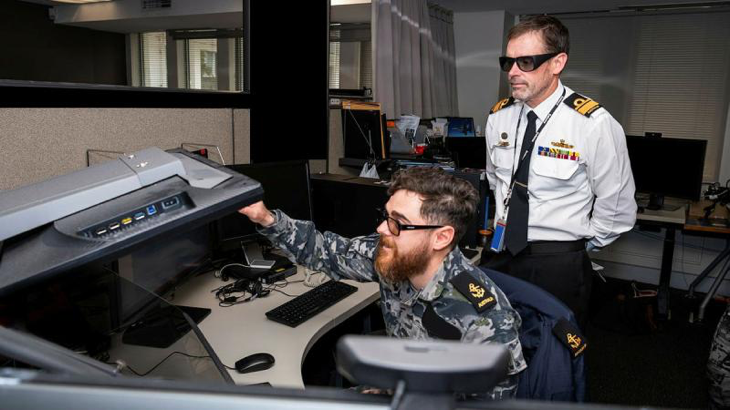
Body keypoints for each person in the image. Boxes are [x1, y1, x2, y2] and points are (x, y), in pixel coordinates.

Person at [239, 167, 526, 399]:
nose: (380, 229)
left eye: (398, 223)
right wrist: (265, 218)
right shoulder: (393, 257)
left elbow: (491, 403)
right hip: (399, 387)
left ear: (441, 237)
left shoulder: (486, 319)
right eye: (385, 217)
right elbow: (326, 251)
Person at [483, 15, 636, 327]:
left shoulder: (593, 124)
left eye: (525, 61)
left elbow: (617, 207)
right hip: (499, 252)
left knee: (553, 356)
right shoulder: (498, 117)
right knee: (491, 345)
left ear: (557, 63)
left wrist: (574, 247)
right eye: (508, 61)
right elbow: (496, 181)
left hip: (557, 263)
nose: (512, 72)